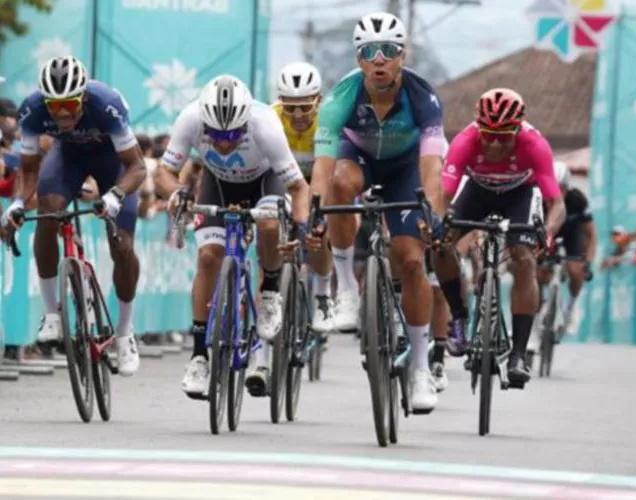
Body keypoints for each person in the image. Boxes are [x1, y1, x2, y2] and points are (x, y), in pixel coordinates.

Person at [308, 11, 447, 413]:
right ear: (359, 59)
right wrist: (317, 212)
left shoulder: (424, 97)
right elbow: (321, 165)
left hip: (406, 168)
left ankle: (421, 367)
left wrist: (432, 214)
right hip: (360, 160)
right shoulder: (340, 98)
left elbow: (432, 169)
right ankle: (347, 290)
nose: (380, 58)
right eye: (370, 51)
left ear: (402, 55)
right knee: (337, 185)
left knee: (411, 261)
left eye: (389, 50)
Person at [153, 75, 313, 399]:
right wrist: (177, 193)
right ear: (204, 124)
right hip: (218, 183)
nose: (224, 143)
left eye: (232, 135)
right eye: (216, 135)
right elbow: (163, 173)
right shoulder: (191, 118)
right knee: (208, 257)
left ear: (245, 123)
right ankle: (199, 355)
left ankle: (269, 290)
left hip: (265, 181)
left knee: (269, 227)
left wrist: (300, 225)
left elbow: (299, 187)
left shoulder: (265, 124)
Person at [0, 56, 147, 375]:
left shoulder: (106, 105)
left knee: (122, 246)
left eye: (69, 103)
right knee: (50, 208)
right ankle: (52, 313)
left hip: (114, 162)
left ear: (84, 97)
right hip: (68, 158)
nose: (62, 112)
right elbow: (27, 170)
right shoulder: (32, 109)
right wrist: (17, 204)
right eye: (54, 106)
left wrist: (114, 196)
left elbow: (138, 167)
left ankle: (124, 332)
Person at [432, 88, 566, 384]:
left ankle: (518, 355)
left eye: (504, 136)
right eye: (487, 135)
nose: (493, 143)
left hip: (520, 194)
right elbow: (445, 195)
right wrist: (438, 227)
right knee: (440, 247)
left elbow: (556, 204)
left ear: (518, 130)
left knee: (524, 259)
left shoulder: (534, 144)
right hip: (477, 192)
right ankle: (458, 317)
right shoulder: (464, 141)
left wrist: (549, 231)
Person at [273, 61, 335, 333]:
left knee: (321, 230)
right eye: (290, 106)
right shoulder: (272, 118)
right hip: (286, 181)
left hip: (319, 178)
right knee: (271, 234)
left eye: (305, 106)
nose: (297, 114)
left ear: (318, 101)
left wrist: (316, 212)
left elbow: (328, 171)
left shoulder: (328, 120)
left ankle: (322, 292)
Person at [530, 161, 595, 350]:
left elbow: (591, 235)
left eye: (562, 189)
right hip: (545, 233)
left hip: (571, 234)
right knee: (536, 275)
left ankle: (572, 305)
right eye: (552, 188)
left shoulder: (577, 200)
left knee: (576, 270)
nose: (557, 193)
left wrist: (588, 262)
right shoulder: (536, 199)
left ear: (568, 187)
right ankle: (535, 321)